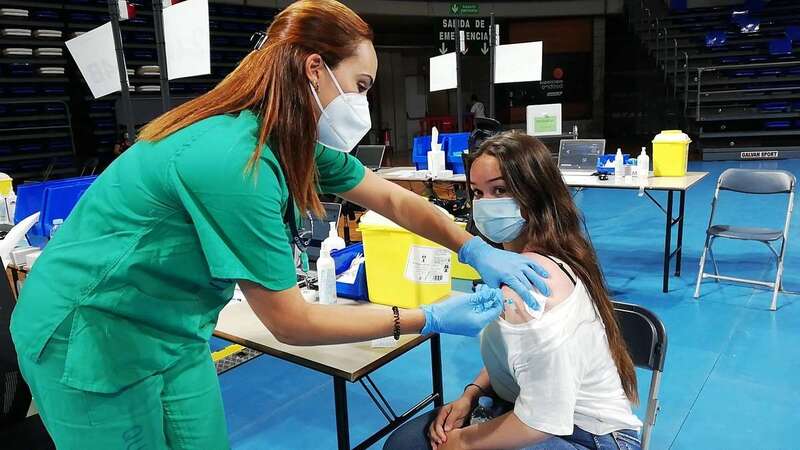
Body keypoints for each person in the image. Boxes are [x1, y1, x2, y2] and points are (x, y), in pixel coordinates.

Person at [9, 2, 552, 449]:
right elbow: (290, 322)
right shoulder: (233, 160)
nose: (362, 103)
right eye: (360, 85)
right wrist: (427, 316)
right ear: (315, 68)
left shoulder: (291, 142)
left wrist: (473, 247)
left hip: (173, 331)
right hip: (89, 334)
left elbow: (391, 197)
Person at [383, 131, 643, 450]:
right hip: (534, 408)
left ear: (535, 193)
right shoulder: (519, 263)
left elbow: (543, 418)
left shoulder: (531, 279)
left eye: (500, 190)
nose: (485, 204)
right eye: (478, 192)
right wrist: (472, 394)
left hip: (586, 435)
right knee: (406, 443)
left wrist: (462, 443)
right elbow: (518, 358)